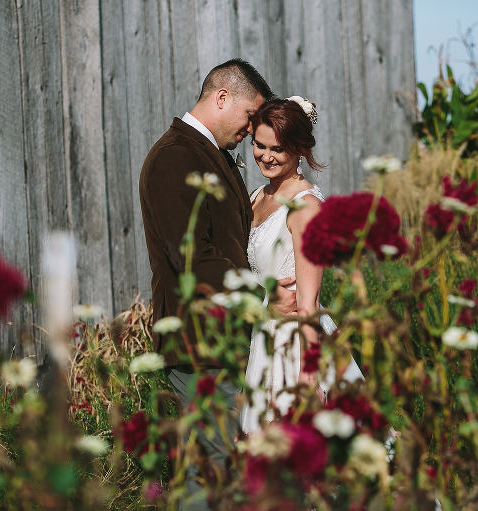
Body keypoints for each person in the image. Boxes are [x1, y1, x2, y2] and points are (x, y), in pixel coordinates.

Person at [138, 59, 296, 509]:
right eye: (250, 117)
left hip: (223, 337)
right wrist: (264, 293)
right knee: (212, 468)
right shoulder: (175, 157)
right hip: (198, 341)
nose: (251, 131)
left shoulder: (210, 155)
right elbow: (190, 256)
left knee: (221, 468)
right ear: (221, 98)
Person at [240, 97, 363, 434]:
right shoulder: (256, 197)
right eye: (259, 145)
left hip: (295, 341)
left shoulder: (305, 209)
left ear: (298, 150)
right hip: (265, 334)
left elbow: (309, 303)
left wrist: (308, 378)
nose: (265, 156)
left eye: (276, 148)